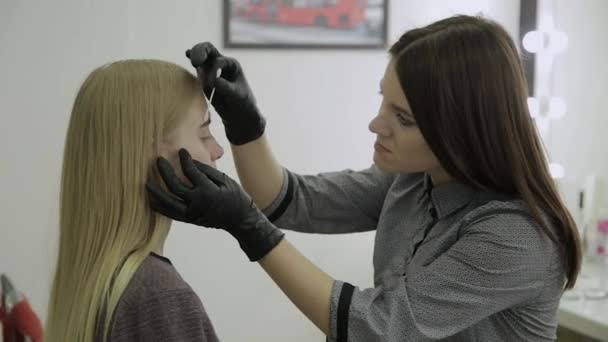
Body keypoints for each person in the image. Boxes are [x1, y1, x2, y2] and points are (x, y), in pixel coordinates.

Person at [147, 15, 582, 341]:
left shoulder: (518, 235)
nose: (376, 125)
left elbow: (377, 327)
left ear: (462, 129)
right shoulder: (413, 181)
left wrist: (248, 229)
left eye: (403, 118)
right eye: (383, 102)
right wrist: (245, 126)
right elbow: (288, 199)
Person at [46, 60, 223, 341]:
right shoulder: (157, 297)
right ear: (150, 153)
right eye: (204, 132)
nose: (218, 149)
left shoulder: (94, 283)